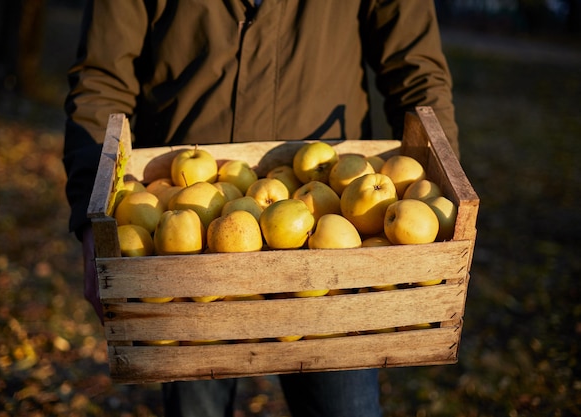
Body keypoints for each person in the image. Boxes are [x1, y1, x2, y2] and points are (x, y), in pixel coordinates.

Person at [62, 1, 459, 416]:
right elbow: (101, 78)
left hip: (336, 232)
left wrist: (443, 188)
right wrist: (94, 217)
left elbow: (417, 70)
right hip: (183, 241)